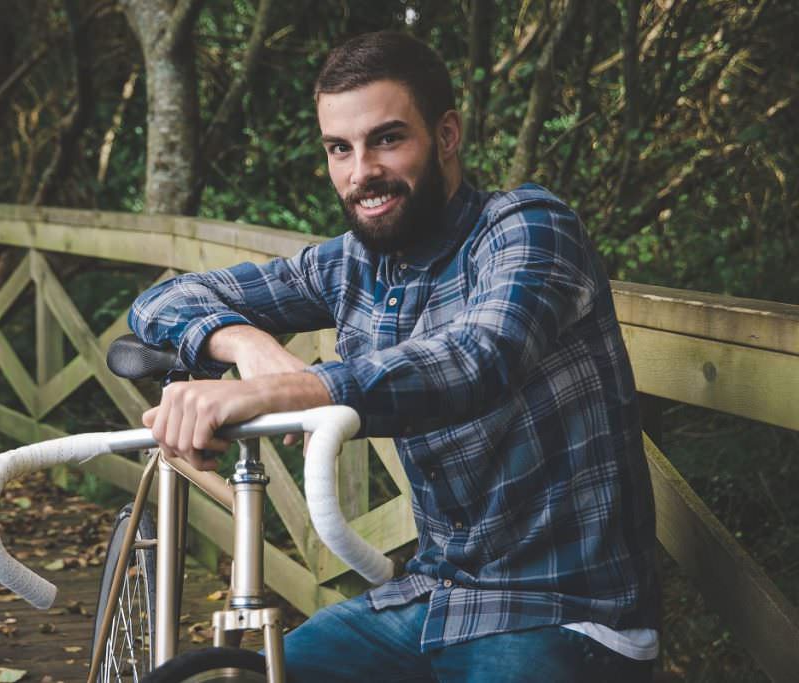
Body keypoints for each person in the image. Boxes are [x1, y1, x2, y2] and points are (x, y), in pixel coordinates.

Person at [128, 31, 659, 683]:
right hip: (434, 597)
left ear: (447, 134)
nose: (360, 173)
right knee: (256, 675)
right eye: (339, 149)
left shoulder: (530, 226)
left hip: (565, 611)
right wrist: (248, 346)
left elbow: (478, 358)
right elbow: (161, 300)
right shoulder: (354, 264)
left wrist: (283, 392)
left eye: (387, 139)